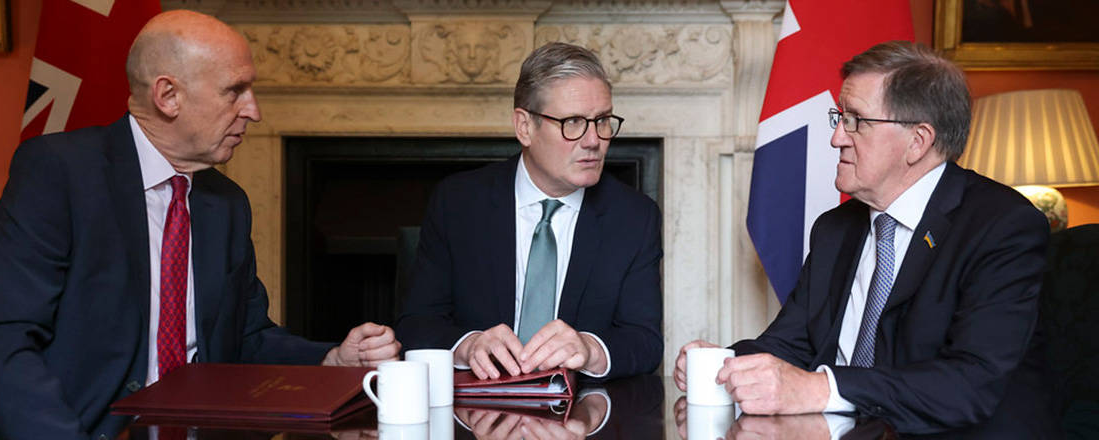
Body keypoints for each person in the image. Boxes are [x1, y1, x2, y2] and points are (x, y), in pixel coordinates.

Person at [0, 10, 399, 440]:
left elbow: (246, 339)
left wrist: (332, 361)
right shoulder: (60, 174)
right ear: (168, 95)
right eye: (236, 91)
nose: (254, 110)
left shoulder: (224, 203)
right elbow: (5, 343)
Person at [674, 41, 1052, 435]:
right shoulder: (836, 228)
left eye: (855, 120)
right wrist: (724, 364)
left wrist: (821, 389)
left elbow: (970, 383)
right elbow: (791, 344)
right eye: (839, 117)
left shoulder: (1003, 227)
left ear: (918, 141)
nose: (837, 137)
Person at [396, 42, 662, 381]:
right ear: (524, 127)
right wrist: (469, 345)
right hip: (477, 417)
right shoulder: (458, 203)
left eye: (603, 121)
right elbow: (416, 324)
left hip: (581, 417)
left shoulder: (635, 217)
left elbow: (645, 341)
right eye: (574, 122)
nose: (594, 140)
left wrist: (590, 349)